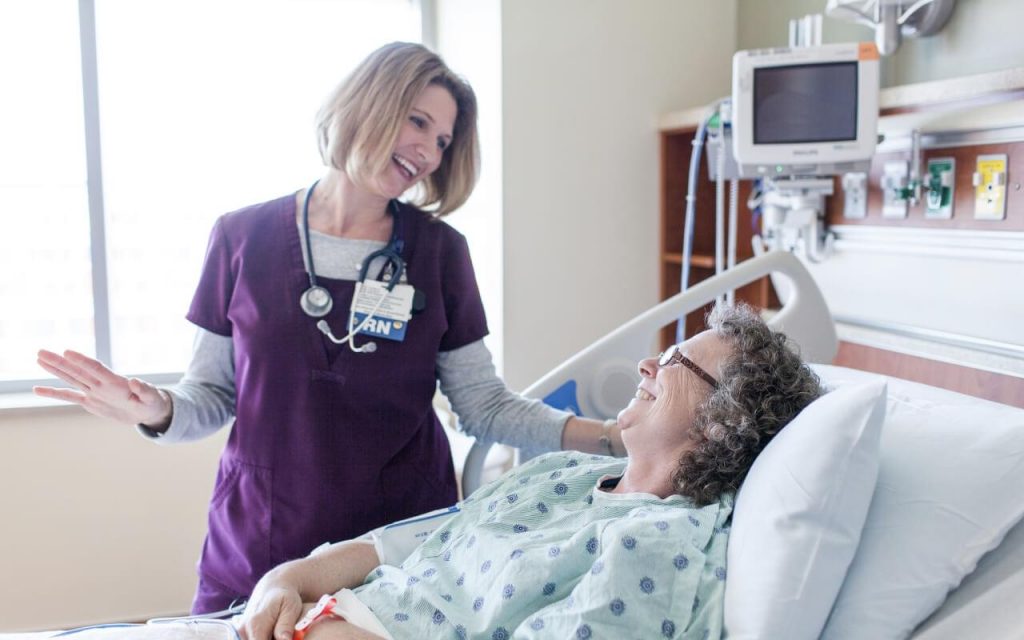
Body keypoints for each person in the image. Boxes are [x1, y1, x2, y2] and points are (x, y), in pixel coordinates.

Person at [31, 42, 618, 614]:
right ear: (368, 105)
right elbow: (210, 395)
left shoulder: (441, 252)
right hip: (261, 536)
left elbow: (483, 405)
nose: (429, 151)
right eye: (417, 121)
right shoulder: (241, 238)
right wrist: (155, 409)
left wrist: (615, 438)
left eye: (443, 141)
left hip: (397, 546)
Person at [236, 304, 824, 640]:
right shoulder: (563, 473)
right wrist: (286, 580)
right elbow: (401, 545)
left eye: (676, 361)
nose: (648, 362)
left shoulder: (658, 544)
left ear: (723, 421)